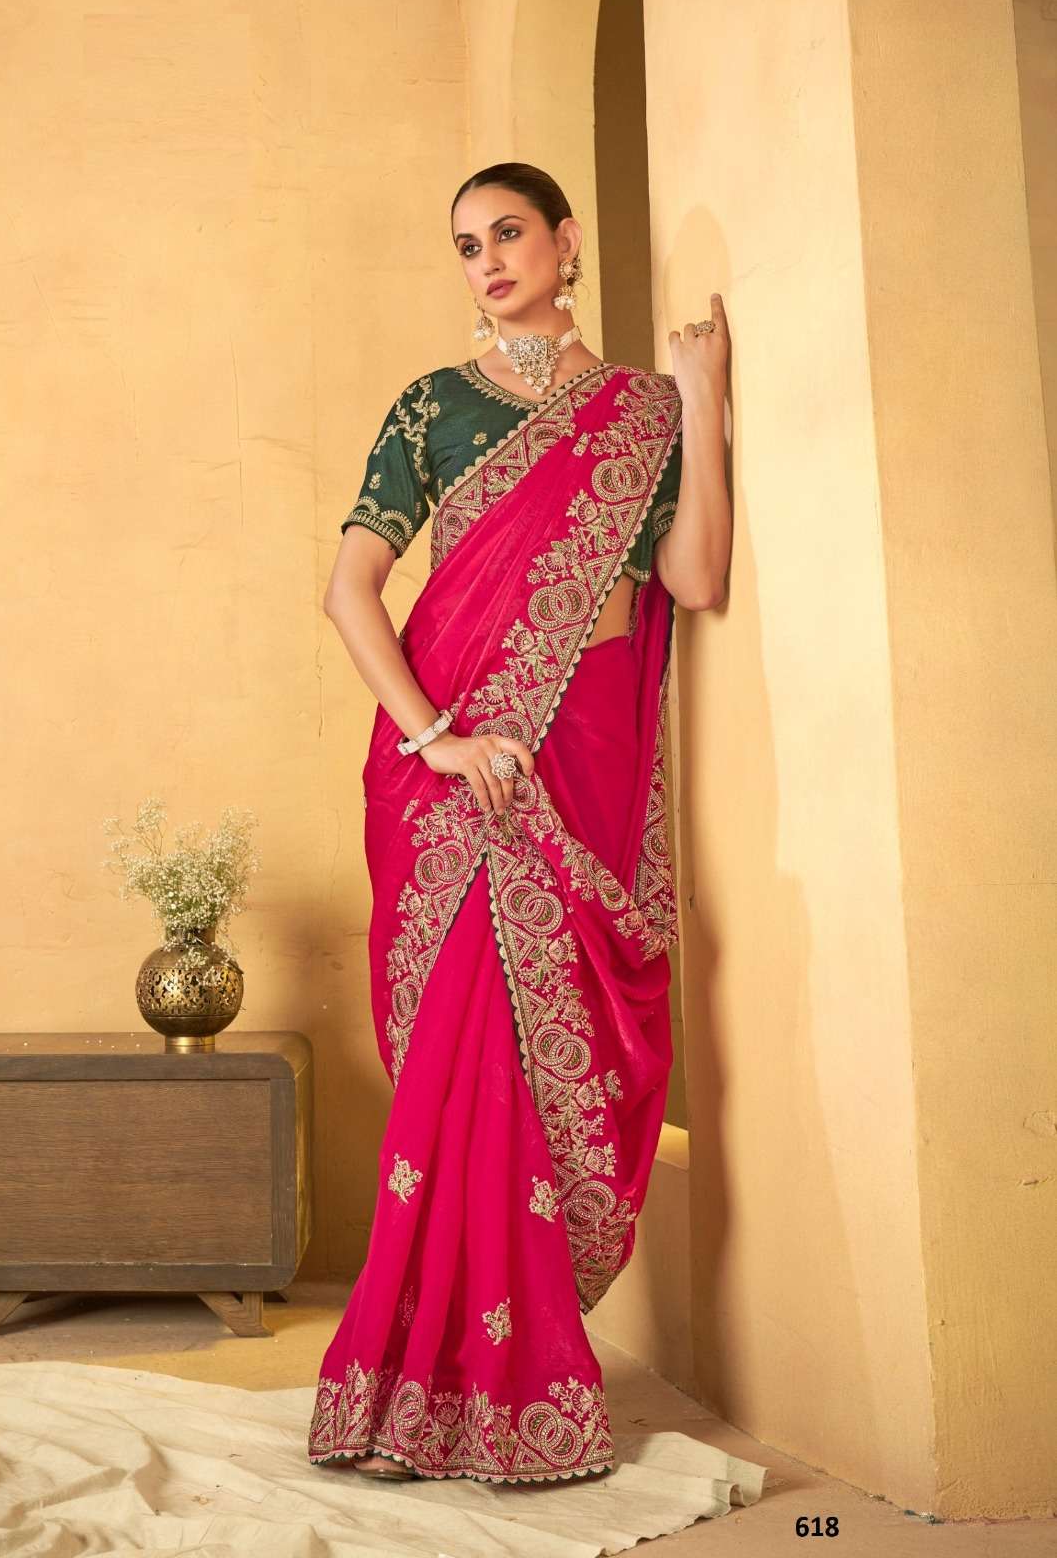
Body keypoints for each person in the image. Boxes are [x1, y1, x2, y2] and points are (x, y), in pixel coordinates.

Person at [308, 161, 731, 1483]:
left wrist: (702, 406)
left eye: (506, 233)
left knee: (553, 1077)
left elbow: (693, 578)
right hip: (466, 770)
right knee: (465, 1065)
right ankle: (429, 1383)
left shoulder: (641, 412)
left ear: (565, 242)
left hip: (587, 753)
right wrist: (436, 737)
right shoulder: (433, 406)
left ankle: (507, 1378)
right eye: (465, 245)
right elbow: (350, 590)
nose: (487, 261)